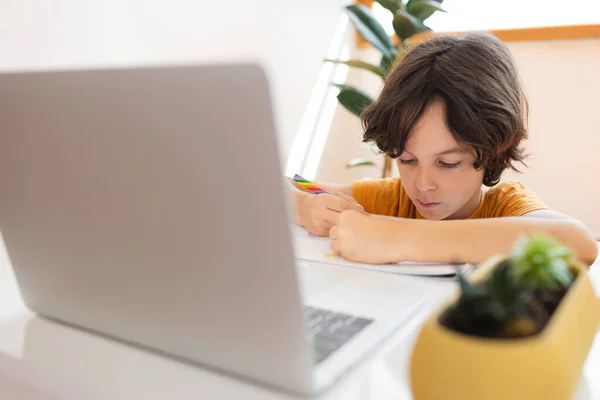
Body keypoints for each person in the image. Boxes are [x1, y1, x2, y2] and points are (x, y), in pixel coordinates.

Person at [290, 32, 598, 265]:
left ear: (491, 151)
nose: (422, 184)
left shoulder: (507, 206)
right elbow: (289, 185)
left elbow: (580, 243)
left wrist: (398, 238)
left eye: (448, 163)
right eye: (407, 159)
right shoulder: (394, 199)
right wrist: (303, 207)